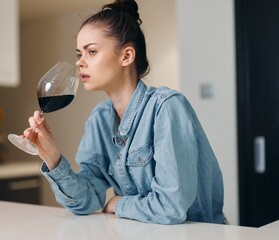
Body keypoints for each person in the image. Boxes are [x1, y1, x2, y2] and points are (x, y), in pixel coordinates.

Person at [23, 0, 224, 224]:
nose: (80, 62)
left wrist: (119, 203)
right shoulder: (99, 119)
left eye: (91, 52)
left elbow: (170, 207)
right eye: (79, 53)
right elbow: (87, 200)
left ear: (126, 56)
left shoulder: (166, 107)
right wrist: (52, 157)